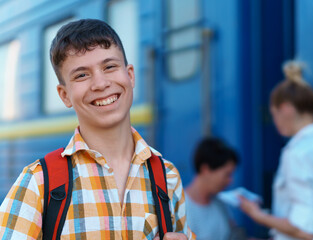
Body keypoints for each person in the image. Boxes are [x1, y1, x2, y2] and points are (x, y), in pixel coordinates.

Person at [0, 19, 194, 240]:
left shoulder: (166, 176)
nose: (100, 84)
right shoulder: (39, 183)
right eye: (82, 75)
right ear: (65, 95)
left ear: (130, 75)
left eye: (109, 67)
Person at [240, 61, 313, 240]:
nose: (275, 122)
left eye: (274, 113)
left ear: (286, 109)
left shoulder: (296, 155)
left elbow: (303, 229)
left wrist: (257, 215)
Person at [185, 137, 242, 240]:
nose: (230, 180)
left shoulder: (221, 204)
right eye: (227, 174)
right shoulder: (178, 207)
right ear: (205, 169)